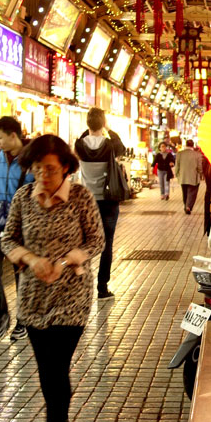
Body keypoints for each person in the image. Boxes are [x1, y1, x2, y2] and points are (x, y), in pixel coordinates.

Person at [1, 135, 104, 422]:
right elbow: (7, 238)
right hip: (33, 296)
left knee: (57, 366)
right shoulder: (22, 199)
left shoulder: (80, 197)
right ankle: (60, 421)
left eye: (49, 169)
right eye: (36, 168)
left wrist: (64, 260)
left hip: (71, 294)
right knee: (47, 368)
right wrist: (29, 259)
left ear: (65, 168)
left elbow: (96, 239)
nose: (42, 175)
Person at [0, 116, 32, 341]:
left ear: (13, 136)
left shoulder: (31, 161)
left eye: (0, 138)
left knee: (20, 275)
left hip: (18, 228)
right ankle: (1, 315)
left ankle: (22, 321)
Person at [74, 108, 126, 299]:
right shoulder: (110, 145)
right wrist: (108, 129)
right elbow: (121, 146)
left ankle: (81, 283)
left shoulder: (79, 145)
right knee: (106, 244)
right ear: (103, 123)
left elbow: (80, 140)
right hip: (108, 201)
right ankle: (102, 288)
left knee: (84, 243)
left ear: (87, 124)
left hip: (87, 201)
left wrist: (87, 130)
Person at [174, 138, 201, 213]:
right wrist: (201, 173)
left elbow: (177, 165)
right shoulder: (197, 155)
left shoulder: (180, 154)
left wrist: (177, 174)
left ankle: (186, 205)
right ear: (193, 145)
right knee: (192, 192)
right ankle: (188, 206)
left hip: (183, 177)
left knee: (185, 192)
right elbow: (199, 167)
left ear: (186, 145)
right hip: (193, 177)